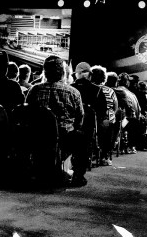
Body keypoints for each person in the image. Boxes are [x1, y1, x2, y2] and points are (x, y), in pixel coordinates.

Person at [25, 55, 90, 187]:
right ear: (63, 72)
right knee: (83, 139)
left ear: (45, 72)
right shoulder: (73, 92)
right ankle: (78, 176)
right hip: (65, 137)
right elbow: (80, 118)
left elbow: (26, 113)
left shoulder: (34, 90)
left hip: (38, 136)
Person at [91, 65, 118, 165]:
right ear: (104, 78)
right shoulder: (110, 91)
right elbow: (115, 107)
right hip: (106, 119)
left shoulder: (89, 89)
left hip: (92, 119)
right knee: (109, 129)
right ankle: (104, 156)